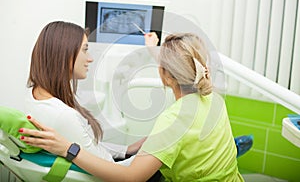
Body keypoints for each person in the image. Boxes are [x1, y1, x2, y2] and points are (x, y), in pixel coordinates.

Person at [20, 32, 244, 181]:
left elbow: (132, 178)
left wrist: (69, 149)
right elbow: (179, 66)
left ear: (163, 74)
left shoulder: (173, 120)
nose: (90, 58)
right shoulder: (214, 99)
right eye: (85, 50)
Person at [25, 21, 145, 165]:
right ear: (64, 53)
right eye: (84, 50)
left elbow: (88, 146)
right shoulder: (63, 115)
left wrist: (128, 149)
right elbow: (111, 169)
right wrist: (152, 155)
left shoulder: (35, 95)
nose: (90, 58)